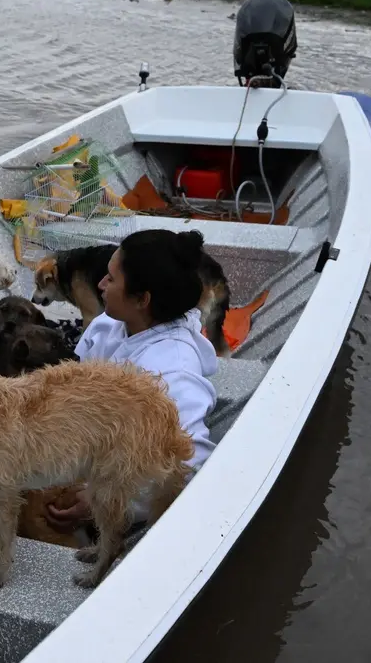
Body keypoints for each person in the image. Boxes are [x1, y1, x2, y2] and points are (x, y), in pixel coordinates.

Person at [46, 228, 219, 533]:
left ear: (142, 299)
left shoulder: (172, 373)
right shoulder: (110, 323)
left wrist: (104, 499)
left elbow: (189, 464)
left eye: (111, 279)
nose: (100, 284)